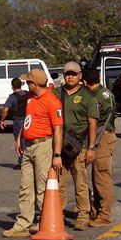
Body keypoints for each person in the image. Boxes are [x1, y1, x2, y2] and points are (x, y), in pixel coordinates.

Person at [2, 69, 63, 238]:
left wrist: (57, 155)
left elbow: (58, 129)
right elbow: (28, 119)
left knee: (42, 187)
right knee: (26, 187)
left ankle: (46, 222)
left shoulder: (52, 101)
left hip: (43, 146)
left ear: (34, 84)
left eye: (28, 82)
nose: (26, 85)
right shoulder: (30, 98)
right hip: (28, 146)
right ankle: (23, 224)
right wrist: (19, 138)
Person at [53, 61, 99, 231]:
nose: (70, 77)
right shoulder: (56, 93)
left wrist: (91, 148)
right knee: (59, 183)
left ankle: (83, 215)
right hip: (59, 146)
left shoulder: (88, 96)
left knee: (80, 182)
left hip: (80, 146)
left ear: (80, 76)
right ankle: (57, 213)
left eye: (73, 74)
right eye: (67, 74)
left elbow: (93, 123)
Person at [82, 69, 117, 227]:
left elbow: (94, 120)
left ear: (85, 82)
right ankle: (96, 210)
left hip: (101, 138)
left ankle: (104, 215)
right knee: (98, 177)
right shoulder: (107, 93)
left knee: (102, 178)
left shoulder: (94, 97)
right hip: (106, 136)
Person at [0, 78, 29, 170]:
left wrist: (2, 120)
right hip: (29, 120)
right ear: (21, 85)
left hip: (18, 121)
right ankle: (28, 160)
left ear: (12, 87)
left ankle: (22, 162)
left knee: (20, 141)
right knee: (28, 141)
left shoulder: (12, 97)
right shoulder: (28, 94)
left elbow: (5, 110)